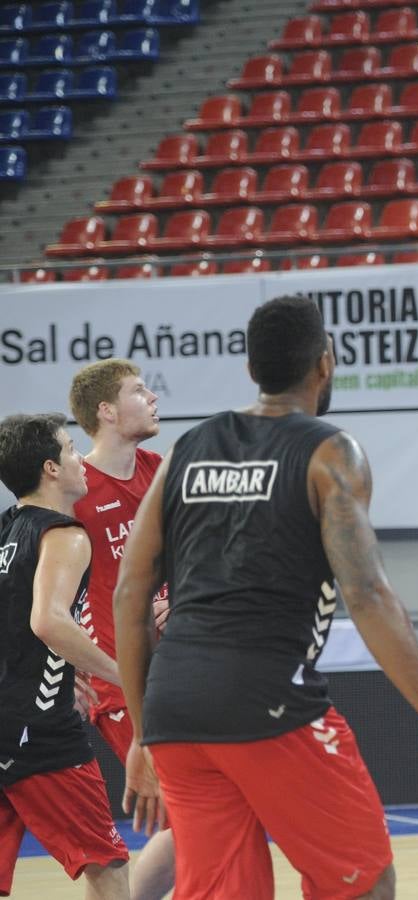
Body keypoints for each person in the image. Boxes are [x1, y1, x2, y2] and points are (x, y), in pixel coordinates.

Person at [112, 296, 418, 899]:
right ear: (324, 365)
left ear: (251, 370)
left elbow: (130, 593)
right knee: (362, 882)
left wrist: (144, 733)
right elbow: (368, 594)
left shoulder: (184, 452)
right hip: (268, 702)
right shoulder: (331, 453)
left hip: (176, 712)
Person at [0, 413, 132, 899]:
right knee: (107, 862)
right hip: (39, 733)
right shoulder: (64, 534)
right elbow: (49, 621)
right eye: (72, 449)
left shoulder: (5, 531)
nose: (80, 459)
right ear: (51, 468)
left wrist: (58, 665)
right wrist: (124, 676)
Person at [69, 359, 175, 899]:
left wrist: (179, 600)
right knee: (193, 813)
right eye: (139, 390)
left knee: (194, 814)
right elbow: (36, 589)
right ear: (106, 411)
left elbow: (195, 557)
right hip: (118, 682)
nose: (153, 397)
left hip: (177, 672)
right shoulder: (72, 488)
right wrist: (63, 664)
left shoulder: (161, 469)